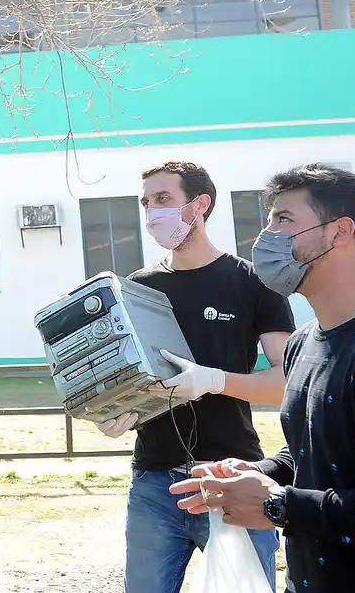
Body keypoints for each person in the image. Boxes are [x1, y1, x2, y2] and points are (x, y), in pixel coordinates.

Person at [171, 165, 355, 591]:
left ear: (341, 231)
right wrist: (257, 472)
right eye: (269, 220)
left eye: (284, 220)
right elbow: (319, 451)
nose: (266, 236)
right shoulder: (303, 342)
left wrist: (277, 505)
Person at [93, 161, 294, 593]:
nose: (152, 213)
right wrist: (113, 412)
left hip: (230, 477)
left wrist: (214, 380)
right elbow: (124, 379)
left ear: (199, 205)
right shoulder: (136, 289)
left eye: (163, 200)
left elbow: (287, 382)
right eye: (146, 203)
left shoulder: (253, 282)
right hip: (152, 481)